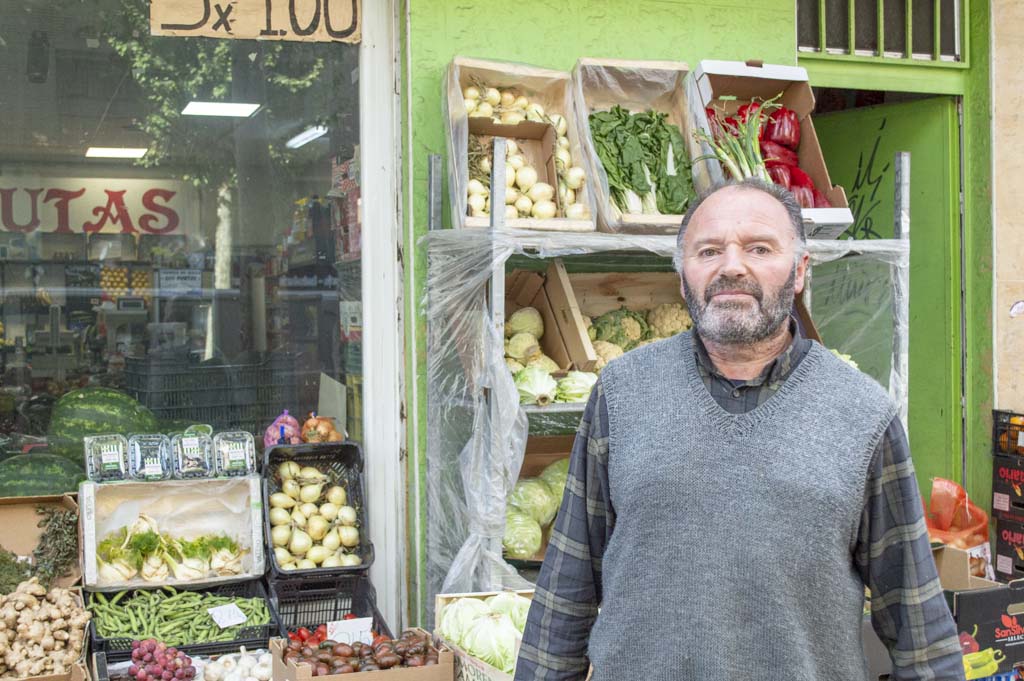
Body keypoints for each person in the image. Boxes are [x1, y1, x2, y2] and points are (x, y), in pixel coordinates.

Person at [513, 179, 965, 681]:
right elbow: (567, 588)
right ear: (682, 276)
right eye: (708, 250)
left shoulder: (860, 412)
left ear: (799, 271)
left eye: (759, 248)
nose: (732, 266)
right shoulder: (622, 392)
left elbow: (916, 620)